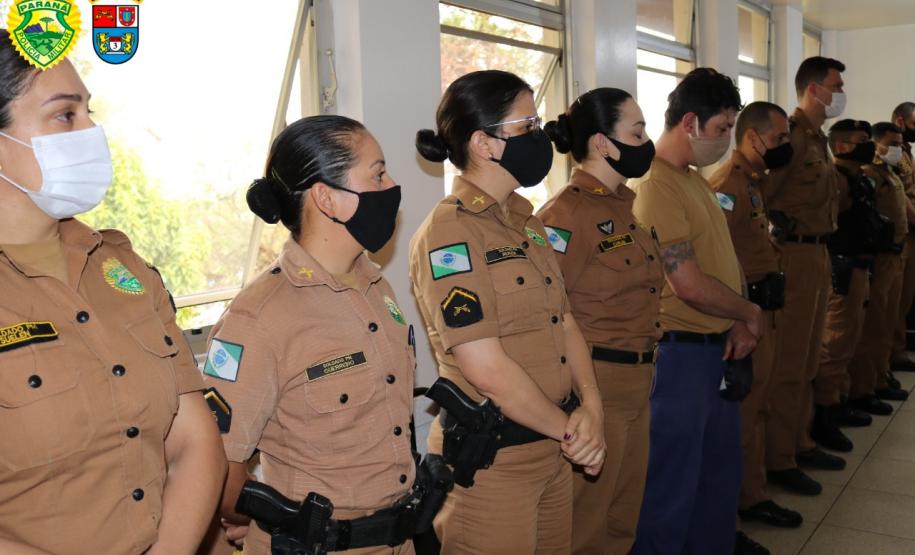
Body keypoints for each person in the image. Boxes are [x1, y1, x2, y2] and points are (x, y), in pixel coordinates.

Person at [0, 30, 226, 554]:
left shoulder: (121, 268)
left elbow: (194, 441)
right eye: (65, 115)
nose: (91, 130)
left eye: (89, 112)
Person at [411, 69, 606, 555]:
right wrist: (571, 431)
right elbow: (485, 367)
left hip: (553, 451)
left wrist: (592, 407)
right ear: (485, 142)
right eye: (528, 126)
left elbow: (563, 321)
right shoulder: (449, 233)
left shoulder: (526, 220)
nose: (541, 138)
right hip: (495, 463)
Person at [205, 115, 419, 554]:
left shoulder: (378, 287)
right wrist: (266, 523)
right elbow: (219, 464)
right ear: (327, 199)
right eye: (378, 173)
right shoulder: (259, 317)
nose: (392, 185)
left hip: (399, 538)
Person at [628, 68, 761, 555]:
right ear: (690, 122)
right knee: (671, 492)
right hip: (679, 358)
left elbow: (721, 262)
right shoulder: (655, 185)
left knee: (715, 484)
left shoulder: (694, 182)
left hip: (713, 352)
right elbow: (685, 282)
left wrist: (737, 320)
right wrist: (748, 312)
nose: (727, 140)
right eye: (723, 129)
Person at [536, 87, 663, 555]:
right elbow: (548, 314)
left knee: (622, 517)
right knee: (587, 524)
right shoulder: (564, 217)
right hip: (598, 383)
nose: (646, 140)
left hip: (640, 380)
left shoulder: (623, 209)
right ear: (604, 144)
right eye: (637, 130)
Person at [709, 102, 803, 537]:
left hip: (763, 308)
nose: (786, 145)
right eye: (781, 138)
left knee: (760, 405)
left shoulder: (752, 183)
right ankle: (732, 516)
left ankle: (754, 494)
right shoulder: (726, 186)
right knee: (743, 417)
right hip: (743, 314)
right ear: (752, 138)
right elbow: (718, 259)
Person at [763, 56, 847, 497]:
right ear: (815, 89)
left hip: (818, 255)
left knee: (811, 357)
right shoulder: (792, 138)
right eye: (836, 84)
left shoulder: (819, 139)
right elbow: (762, 194)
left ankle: (800, 441)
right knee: (791, 362)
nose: (841, 91)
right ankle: (779, 458)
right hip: (793, 258)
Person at [818, 120, 890, 431]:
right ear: (843, 146)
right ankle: (825, 412)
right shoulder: (836, 179)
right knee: (835, 344)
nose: (869, 145)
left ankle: (841, 399)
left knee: (850, 342)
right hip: (843, 269)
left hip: (862, 265)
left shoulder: (859, 177)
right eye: (862, 140)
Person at [845, 122, 910, 407]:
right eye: (892, 144)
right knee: (873, 326)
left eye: (900, 144)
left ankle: (880, 377)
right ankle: (864, 387)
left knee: (887, 320)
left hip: (897, 254)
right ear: (877, 144)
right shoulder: (869, 175)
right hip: (879, 258)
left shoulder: (889, 173)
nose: (898, 149)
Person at [889, 102, 915, 372]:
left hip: (910, 232)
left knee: (905, 298)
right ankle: (891, 355)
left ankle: (896, 353)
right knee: (895, 301)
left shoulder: (906, 151)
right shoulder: (891, 153)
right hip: (902, 233)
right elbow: (899, 197)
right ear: (900, 121)